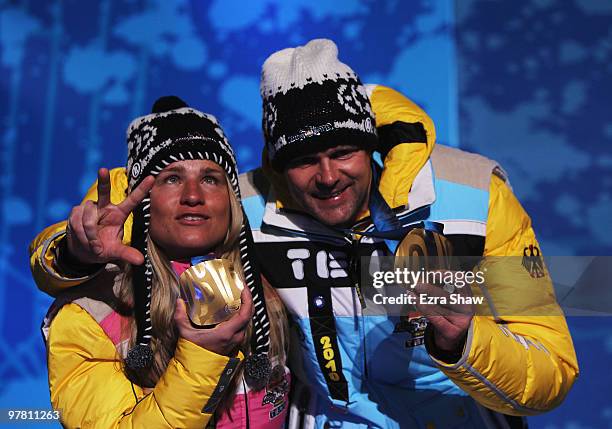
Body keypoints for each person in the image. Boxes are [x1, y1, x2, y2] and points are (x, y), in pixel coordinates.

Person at [30, 39, 578, 428]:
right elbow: (126, 201)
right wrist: (72, 253)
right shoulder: (248, 201)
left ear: (372, 145)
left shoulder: (472, 197)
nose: (328, 176)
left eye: (343, 152)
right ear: (273, 165)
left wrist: (463, 340)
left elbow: (552, 370)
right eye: (304, 160)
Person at [31, 97, 290, 428]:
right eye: (171, 178)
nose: (193, 195)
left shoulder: (268, 269)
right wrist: (202, 358)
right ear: (142, 198)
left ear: (231, 197)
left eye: (210, 177)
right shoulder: (91, 313)